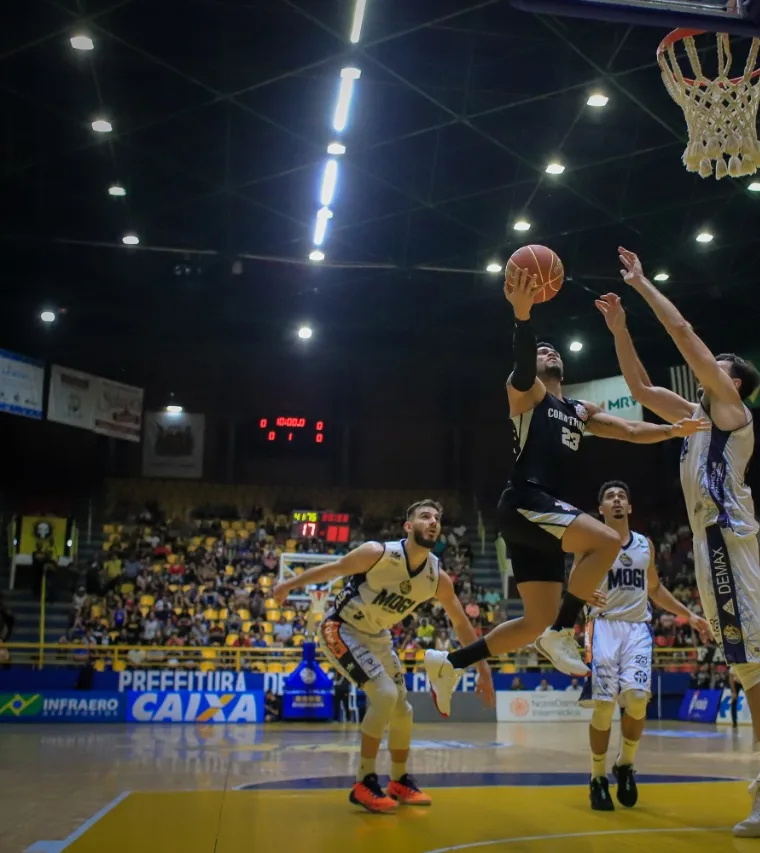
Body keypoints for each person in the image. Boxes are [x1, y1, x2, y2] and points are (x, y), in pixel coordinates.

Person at [595, 248, 760, 837]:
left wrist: (641, 286)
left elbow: (686, 335)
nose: (708, 368)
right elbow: (638, 384)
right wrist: (620, 328)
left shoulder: (733, 412)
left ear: (731, 381)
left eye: (719, 366)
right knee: (747, 667)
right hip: (709, 547)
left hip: (724, 541)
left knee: (752, 665)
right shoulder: (693, 418)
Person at [421, 269, 709, 697]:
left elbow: (629, 431)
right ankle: (563, 630)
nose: (548, 352)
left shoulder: (578, 409)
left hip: (541, 519)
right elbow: (521, 363)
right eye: (542, 350)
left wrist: (672, 431)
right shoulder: (526, 393)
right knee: (609, 541)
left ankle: (449, 663)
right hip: (524, 499)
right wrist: (523, 316)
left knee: (533, 621)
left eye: (552, 350)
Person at [271, 499, 495, 814]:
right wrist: (288, 585)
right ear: (408, 526)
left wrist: (483, 671)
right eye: (424, 516)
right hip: (341, 628)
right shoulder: (377, 553)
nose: (433, 522)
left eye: (437, 518)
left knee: (403, 709)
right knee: (385, 694)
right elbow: (334, 569)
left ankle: (400, 779)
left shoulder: (437, 578)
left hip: (377, 637)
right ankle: (364, 780)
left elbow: (461, 624)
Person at [582, 480, 712, 811]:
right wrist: (583, 594)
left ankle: (624, 765)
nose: (616, 500)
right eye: (609, 497)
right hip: (605, 626)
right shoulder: (590, 542)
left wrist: (689, 615)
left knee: (638, 701)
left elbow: (654, 589)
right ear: (601, 509)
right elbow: (575, 583)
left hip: (637, 628)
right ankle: (597, 777)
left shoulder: (644, 545)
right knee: (603, 707)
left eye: (622, 496)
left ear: (629, 508)